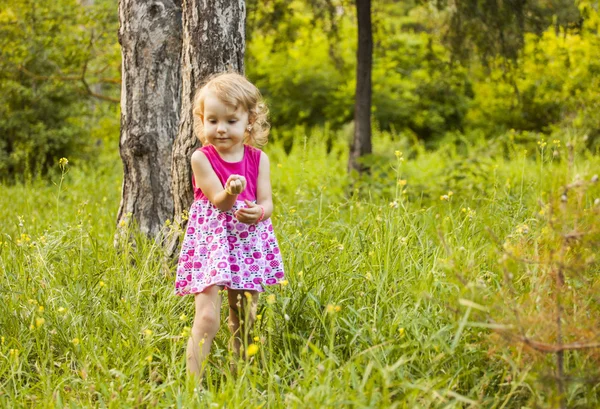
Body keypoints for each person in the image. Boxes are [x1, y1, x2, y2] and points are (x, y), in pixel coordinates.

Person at [174, 72, 285, 379]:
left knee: (244, 317)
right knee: (208, 316)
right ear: (202, 121)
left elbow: (268, 202)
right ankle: (191, 387)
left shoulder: (258, 158)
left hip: (247, 242)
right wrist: (232, 191)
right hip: (212, 242)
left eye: (230, 121)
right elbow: (220, 202)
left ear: (249, 121)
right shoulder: (201, 157)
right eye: (212, 120)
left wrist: (259, 213)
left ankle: (241, 379)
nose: (220, 129)